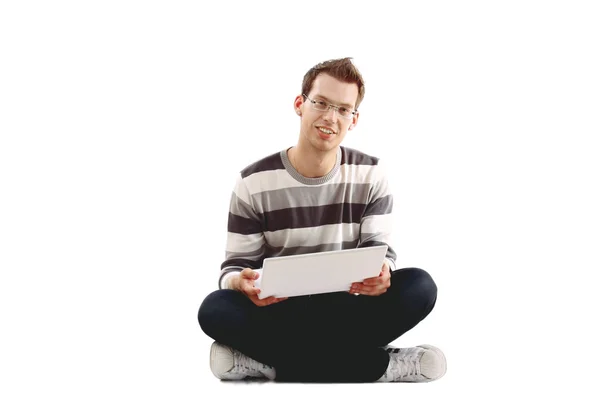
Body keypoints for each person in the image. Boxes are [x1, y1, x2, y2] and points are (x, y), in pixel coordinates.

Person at [197, 57, 446, 383]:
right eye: (321, 103)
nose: (331, 117)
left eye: (344, 109)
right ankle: (381, 366)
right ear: (300, 104)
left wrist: (383, 275)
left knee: (420, 286)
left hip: (346, 311)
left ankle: (267, 364)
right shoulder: (252, 182)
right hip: (282, 312)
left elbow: (380, 254)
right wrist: (239, 284)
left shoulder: (371, 175)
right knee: (215, 309)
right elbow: (233, 269)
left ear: (354, 119)